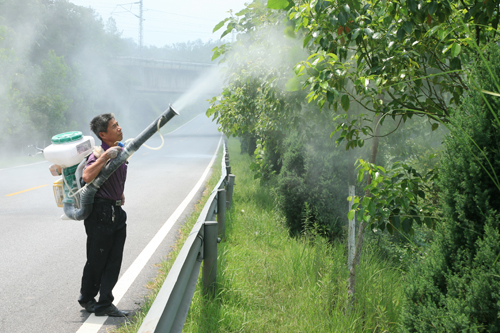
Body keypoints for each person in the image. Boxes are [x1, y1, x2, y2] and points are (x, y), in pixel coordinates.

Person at [77, 113, 129, 317]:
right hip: (100, 213)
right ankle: (92, 300)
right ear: (102, 134)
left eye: (118, 124)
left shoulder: (120, 149)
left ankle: (100, 301)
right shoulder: (99, 153)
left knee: (113, 259)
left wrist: (119, 192)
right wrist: (106, 157)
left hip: (116, 211)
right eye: (114, 126)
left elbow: (112, 176)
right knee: (98, 258)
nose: (119, 128)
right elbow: (87, 175)